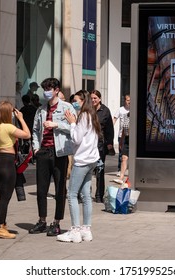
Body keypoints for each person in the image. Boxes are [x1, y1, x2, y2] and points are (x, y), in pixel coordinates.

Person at [29, 77, 76, 236]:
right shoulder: (41, 109)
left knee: (59, 189)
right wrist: (36, 148)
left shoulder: (66, 107)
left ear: (56, 90)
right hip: (43, 152)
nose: (46, 92)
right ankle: (42, 220)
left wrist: (56, 124)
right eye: (45, 89)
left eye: (49, 88)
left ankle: (56, 222)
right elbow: (35, 130)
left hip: (60, 152)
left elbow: (74, 128)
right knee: (41, 189)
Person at [57, 90, 101, 243]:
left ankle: (75, 230)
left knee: (72, 194)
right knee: (86, 195)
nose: (74, 102)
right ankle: (86, 230)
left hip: (83, 161)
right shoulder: (92, 115)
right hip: (91, 160)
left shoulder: (83, 116)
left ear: (82, 101)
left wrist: (72, 123)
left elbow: (76, 138)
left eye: (76, 100)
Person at [0, 101, 31, 238]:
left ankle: (2, 224)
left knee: (2, 196)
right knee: (5, 198)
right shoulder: (7, 127)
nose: (13, 114)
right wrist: (21, 119)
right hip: (7, 163)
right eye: (11, 112)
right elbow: (27, 134)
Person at [90, 90, 114, 203]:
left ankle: (99, 195)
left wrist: (109, 143)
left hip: (100, 145)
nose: (93, 100)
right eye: (92, 98)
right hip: (88, 145)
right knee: (88, 170)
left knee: (99, 170)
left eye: (95, 98)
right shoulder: (88, 110)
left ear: (99, 99)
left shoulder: (105, 111)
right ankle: (85, 194)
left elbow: (109, 128)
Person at [113, 94, 130, 176]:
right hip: (121, 134)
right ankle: (120, 170)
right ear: (124, 101)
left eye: (130, 100)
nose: (129, 102)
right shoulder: (121, 110)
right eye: (127, 100)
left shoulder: (133, 109)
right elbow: (114, 119)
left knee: (127, 154)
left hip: (130, 136)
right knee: (121, 153)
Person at [114, 112, 130, 185]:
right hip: (127, 139)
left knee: (133, 160)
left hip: (135, 139)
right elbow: (124, 129)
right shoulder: (127, 115)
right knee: (123, 158)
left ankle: (131, 177)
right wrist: (121, 141)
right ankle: (121, 177)